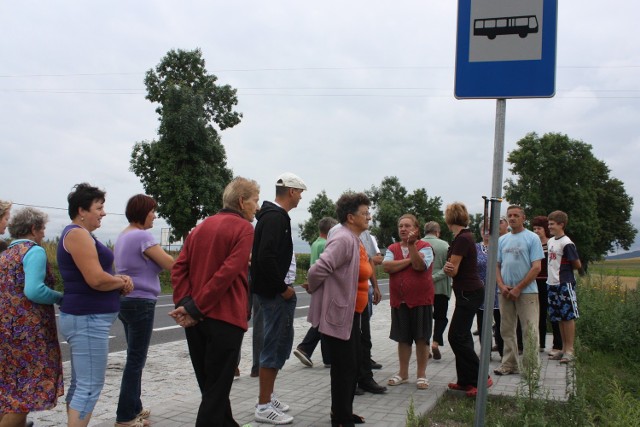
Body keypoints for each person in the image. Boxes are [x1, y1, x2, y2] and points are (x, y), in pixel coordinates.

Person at [169, 177, 260, 427]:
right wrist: (195, 307)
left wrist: (187, 302)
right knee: (216, 391)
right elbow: (228, 272)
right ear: (242, 202)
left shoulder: (201, 227)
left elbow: (179, 268)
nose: (257, 207)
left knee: (211, 387)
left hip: (196, 323)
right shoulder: (244, 229)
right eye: (255, 200)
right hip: (225, 319)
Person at [57, 183, 134, 427]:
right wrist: (120, 281)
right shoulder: (77, 234)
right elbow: (96, 279)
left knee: (81, 384)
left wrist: (117, 281)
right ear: (82, 210)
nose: (103, 213)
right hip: (87, 318)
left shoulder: (81, 234)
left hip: (85, 317)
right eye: (99, 208)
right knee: (89, 387)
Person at [307, 192, 372, 427]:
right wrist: (316, 291)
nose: (369, 217)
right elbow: (317, 270)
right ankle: (342, 419)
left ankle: (342, 412)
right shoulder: (344, 238)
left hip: (351, 312)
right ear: (350, 217)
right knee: (345, 368)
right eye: (364, 213)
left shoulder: (351, 237)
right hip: (340, 313)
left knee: (350, 366)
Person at [114, 195, 175, 426]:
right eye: (152, 211)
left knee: (134, 355)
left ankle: (135, 407)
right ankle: (125, 417)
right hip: (142, 301)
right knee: (136, 359)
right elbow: (170, 263)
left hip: (126, 300)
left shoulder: (123, 235)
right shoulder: (142, 235)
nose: (155, 216)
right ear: (142, 211)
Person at [251, 172, 306, 425]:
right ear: (291, 192)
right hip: (274, 295)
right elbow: (266, 257)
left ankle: (268, 396)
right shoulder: (275, 217)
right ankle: (263, 406)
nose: (301, 197)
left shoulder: (271, 216)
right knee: (273, 347)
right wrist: (282, 287)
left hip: (271, 292)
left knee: (278, 345)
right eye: (300, 192)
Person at [0, 207, 63, 427]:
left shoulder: (6, 254)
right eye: (43, 228)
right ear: (33, 228)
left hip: (6, 329)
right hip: (29, 333)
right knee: (23, 397)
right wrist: (60, 297)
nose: (44, 233)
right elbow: (34, 290)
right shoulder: (33, 251)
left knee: (9, 392)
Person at [383, 214, 434, 391]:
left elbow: (420, 266)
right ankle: (403, 373)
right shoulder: (392, 247)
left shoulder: (426, 247)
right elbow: (387, 266)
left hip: (421, 300)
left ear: (416, 229)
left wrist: (412, 248)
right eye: (401, 226)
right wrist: (409, 260)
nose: (403, 229)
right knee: (403, 338)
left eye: (407, 226)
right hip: (400, 301)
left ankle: (421, 375)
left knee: (421, 338)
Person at [442, 203, 489, 397]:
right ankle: (465, 380)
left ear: (449, 218)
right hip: (470, 291)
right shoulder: (466, 237)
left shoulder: (461, 239)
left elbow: (453, 270)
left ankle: (481, 377)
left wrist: (447, 268)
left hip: (468, 292)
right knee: (463, 336)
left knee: (456, 336)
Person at [494, 205, 544, 376]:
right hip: (505, 291)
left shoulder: (532, 238)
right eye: (510, 215)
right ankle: (509, 363)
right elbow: (497, 265)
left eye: (516, 215)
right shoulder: (502, 240)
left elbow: (536, 267)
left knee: (529, 330)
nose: (513, 218)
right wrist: (501, 285)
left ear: (523, 218)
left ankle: (531, 368)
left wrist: (518, 288)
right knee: (506, 329)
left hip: (527, 291)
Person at [294, 217, 338, 368]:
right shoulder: (327, 244)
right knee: (324, 321)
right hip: (324, 285)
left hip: (316, 284)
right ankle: (307, 348)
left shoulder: (315, 243)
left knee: (321, 319)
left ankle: (325, 356)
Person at [546, 210, 582, 364]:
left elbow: (577, 264)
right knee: (559, 316)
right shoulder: (551, 241)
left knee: (568, 316)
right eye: (549, 224)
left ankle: (570, 349)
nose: (549, 227)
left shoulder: (566, 243)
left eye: (552, 224)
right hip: (551, 283)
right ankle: (562, 348)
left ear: (561, 224)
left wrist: (565, 270)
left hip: (564, 283)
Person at [355, 229, 386, 394]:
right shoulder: (339, 233)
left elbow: (370, 261)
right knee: (351, 341)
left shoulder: (365, 234)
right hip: (348, 298)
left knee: (365, 338)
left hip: (364, 293)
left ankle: (366, 378)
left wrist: (375, 286)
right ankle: (350, 382)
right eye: (364, 212)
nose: (368, 216)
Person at [422, 221, 451, 360]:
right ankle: (436, 342)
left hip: (423, 289)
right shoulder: (445, 245)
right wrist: (435, 277)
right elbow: (449, 267)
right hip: (441, 288)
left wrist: (427, 279)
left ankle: (425, 346)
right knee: (441, 317)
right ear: (437, 232)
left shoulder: (418, 244)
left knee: (424, 318)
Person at [531, 216, 560, 354]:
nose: (536, 231)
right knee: (539, 313)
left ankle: (557, 344)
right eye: (534, 228)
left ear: (545, 229)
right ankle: (540, 343)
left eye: (539, 228)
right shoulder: (532, 244)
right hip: (535, 281)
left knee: (553, 313)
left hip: (550, 281)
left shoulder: (551, 243)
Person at [475, 223, 503, 358]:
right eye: (483, 230)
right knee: (482, 323)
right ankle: (486, 352)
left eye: (489, 230)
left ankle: (503, 350)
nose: (486, 233)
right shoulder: (475, 248)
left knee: (500, 321)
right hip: (481, 290)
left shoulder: (500, 247)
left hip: (498, 289)